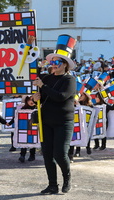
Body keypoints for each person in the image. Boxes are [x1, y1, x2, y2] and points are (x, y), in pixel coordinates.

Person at [32, 34, 76, 194]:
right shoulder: (47, 78)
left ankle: (67, 177)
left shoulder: (70, 80)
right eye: (52, 62)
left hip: (63, 122)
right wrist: (35, 97)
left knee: (60, 154)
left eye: (57, 62)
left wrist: (43, 86)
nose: (54, 65)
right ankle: (52, 185)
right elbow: (42, 94)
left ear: (65, 65)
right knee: (47, 155)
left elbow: (61, 97)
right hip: (46, 121)